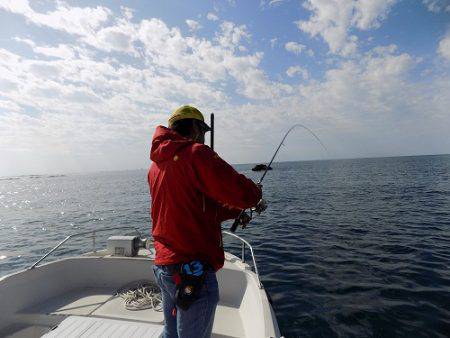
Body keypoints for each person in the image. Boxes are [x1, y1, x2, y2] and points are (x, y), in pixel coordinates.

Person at [148, 105, 264, 338]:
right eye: (203, 130)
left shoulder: (156, 166)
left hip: (165, 267)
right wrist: (255, 194)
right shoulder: (196, 153)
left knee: (170, 334)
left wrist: (234, 212)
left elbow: (196, 206)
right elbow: (240, 191)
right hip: (192, 271)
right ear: (194, 127)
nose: (204, 136)